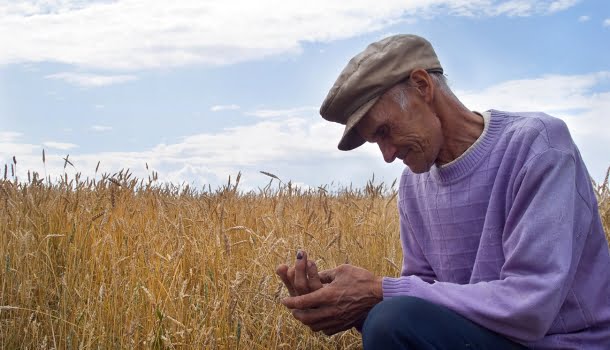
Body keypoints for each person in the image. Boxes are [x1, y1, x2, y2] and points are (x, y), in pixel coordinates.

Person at [276, 34, 610, 349]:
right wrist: (344, 304)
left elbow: (531, 306)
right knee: (387, 318)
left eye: (385, 131)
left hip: (563, 343)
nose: (388, 155)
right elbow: (423, 301)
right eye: (376, 142)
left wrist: (381, 292)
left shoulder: (537, 146)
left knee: (391, 318)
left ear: (422, 86)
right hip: (486, 338)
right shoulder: (413, 183)